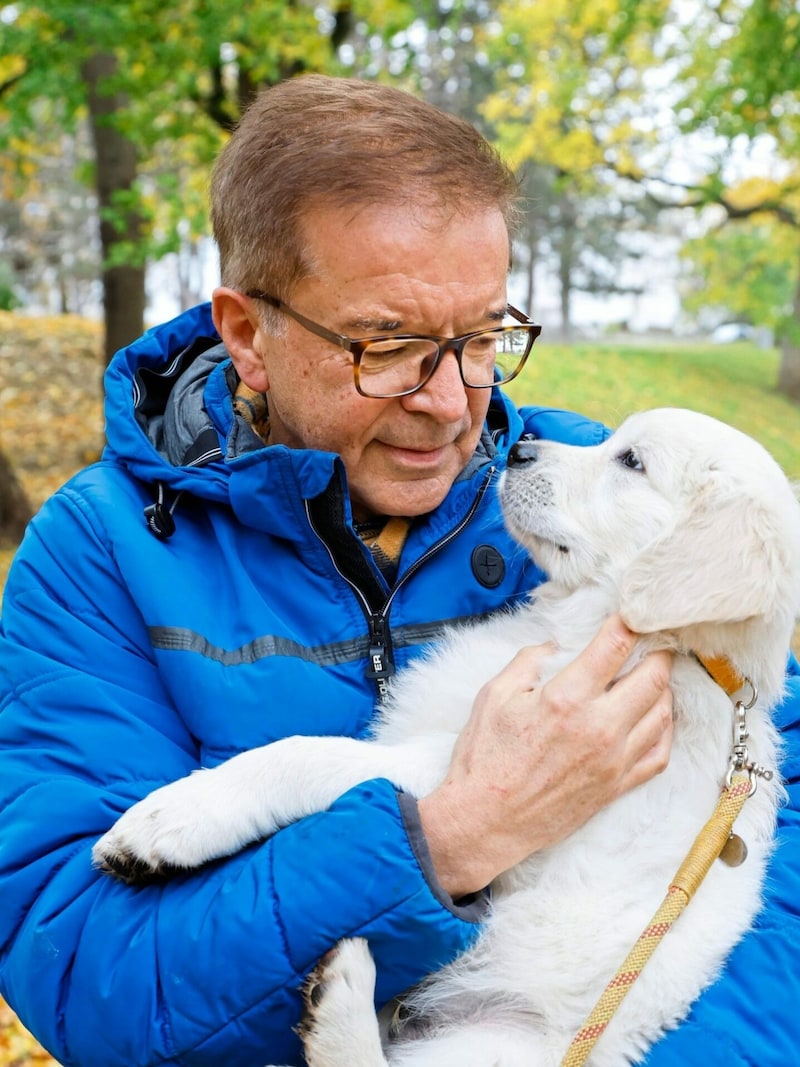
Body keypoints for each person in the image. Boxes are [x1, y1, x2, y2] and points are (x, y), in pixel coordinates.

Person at [0, 75, 797, 1067]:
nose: (451, 401)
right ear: (249, 335)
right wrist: (451, 837)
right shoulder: (101, 556)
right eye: (392, 346)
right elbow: (87, 968)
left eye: (480, 338)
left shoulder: (590, 505)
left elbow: (776, 843)